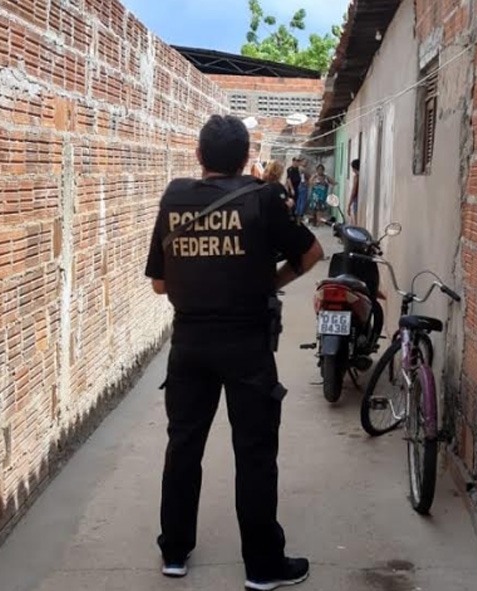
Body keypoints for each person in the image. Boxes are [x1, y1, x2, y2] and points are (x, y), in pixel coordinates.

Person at [145, 115, 324, 590]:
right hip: (247, 345)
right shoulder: (263, 199)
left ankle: (175, 552)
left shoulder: (175, 199)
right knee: (255, 453)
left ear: (199, 156)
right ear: (246, 159)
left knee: (183, 446)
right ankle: (263, 567)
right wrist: (269, 282)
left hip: (189, 346)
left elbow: (160, 284)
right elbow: (311, 254)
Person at [348, 159, 360, 224]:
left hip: (356, 199)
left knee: (356, 221)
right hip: (360, 199)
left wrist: (349, 205)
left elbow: (354, 191)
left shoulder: (356, 177)